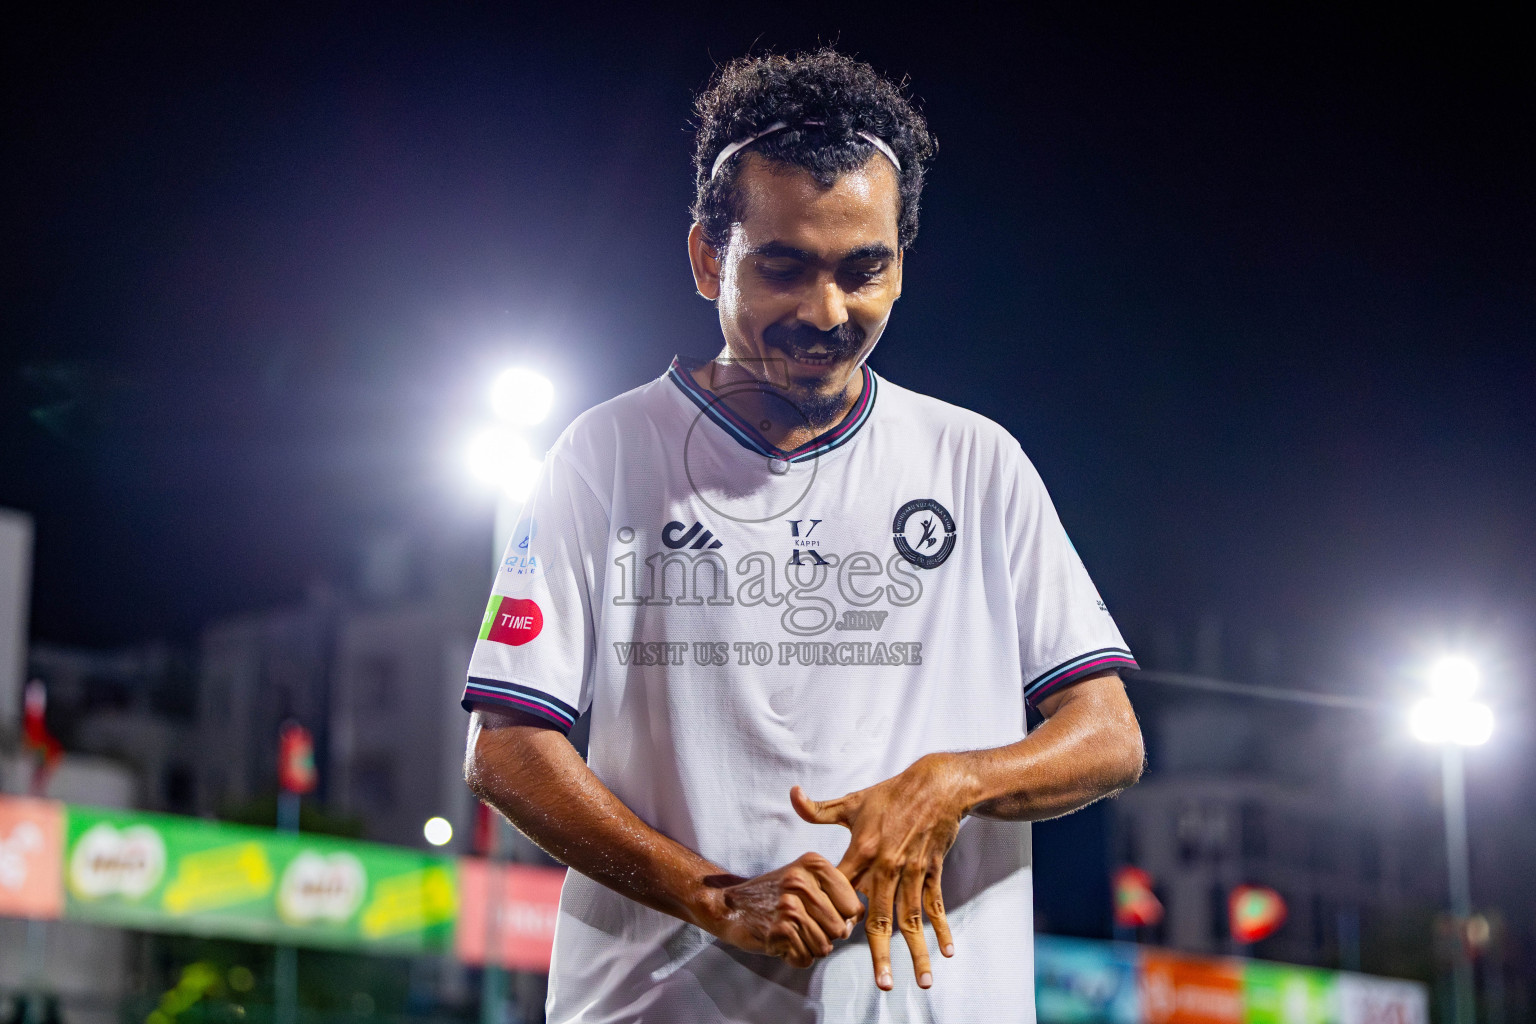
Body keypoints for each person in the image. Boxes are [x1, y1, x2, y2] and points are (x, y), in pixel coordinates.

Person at [462, 48, 1144, 1023]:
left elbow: (1108, 734)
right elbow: (506, 744)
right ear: (707, 256)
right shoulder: (604, 454)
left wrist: (958, 780)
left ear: (901, 264)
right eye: (783, 268)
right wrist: (713, 895)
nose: (827, 312)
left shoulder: (976, 461)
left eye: (862, 269)